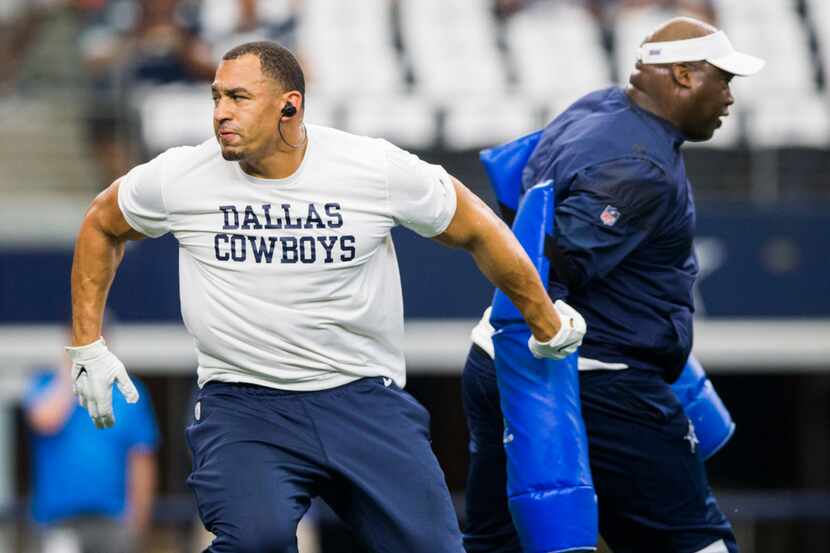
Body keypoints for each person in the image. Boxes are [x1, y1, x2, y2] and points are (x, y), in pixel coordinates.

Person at [65, 41, 586, 553]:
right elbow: (101, 223)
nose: (221, 113)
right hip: (244, 406)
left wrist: (544, 320)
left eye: (239, 98)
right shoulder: (181, 175)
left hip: (362, 399)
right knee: (255, 543)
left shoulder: (371, 168)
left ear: (289, 106)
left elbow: (478, 226)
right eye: (216, 98)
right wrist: (88, 344)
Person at [462, 17, 763, 553]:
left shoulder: (598, 104)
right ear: (685, 76)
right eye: (725, 80)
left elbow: (524, 205)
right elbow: (557, 264)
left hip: (493, 355)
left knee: (496, 545)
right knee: (694, 541)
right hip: (592, 380)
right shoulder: (640, 167)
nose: (730, 98)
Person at [24, 351, 158, 553]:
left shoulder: (127, 390)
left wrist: (137, 521)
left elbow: (141, 458)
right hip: (58, 522)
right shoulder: (46, 383)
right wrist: (72, 374)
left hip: (113, 521)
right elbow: (45, 420)